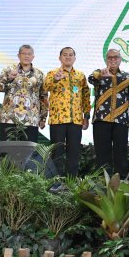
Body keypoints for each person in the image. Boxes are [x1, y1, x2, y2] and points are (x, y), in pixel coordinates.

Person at [88, 48, 129, 177]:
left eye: (115, 57)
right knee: (101, 151)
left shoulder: (127, 77)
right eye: (110, 58)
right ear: (106, 60)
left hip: (121, 119)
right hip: (101, 119)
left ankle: (121, 179)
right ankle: (102, 179)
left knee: (121, 151)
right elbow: (90, 79)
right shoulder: (99, 73)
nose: (113, 60)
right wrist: (101, 76)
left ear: (120, 59)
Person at [43, 47, 90, 177]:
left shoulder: (80, 75)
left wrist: (86, 116)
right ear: (60, 58)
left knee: (74, 152)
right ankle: (56, 181)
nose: (68, 57)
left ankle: (71, 182)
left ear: (74, 58)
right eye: (65, 55)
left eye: (70, 55)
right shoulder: (53, 73)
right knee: (57, 152)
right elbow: (45, 88)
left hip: (75, 119)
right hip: (57, 119)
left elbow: (86, 96)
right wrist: (55, 79)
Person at [0, 44, 47, 142]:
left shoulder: (39, 74)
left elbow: (43, 96)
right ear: (18, 56)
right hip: (9, 117)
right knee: (7, 152)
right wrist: (8, 78)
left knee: (28, 153)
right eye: (24, 54)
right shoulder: (9, 70)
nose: (26, 56)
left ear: (33, 57)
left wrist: (43, 118)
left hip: (31, 118)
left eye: (29, 54)